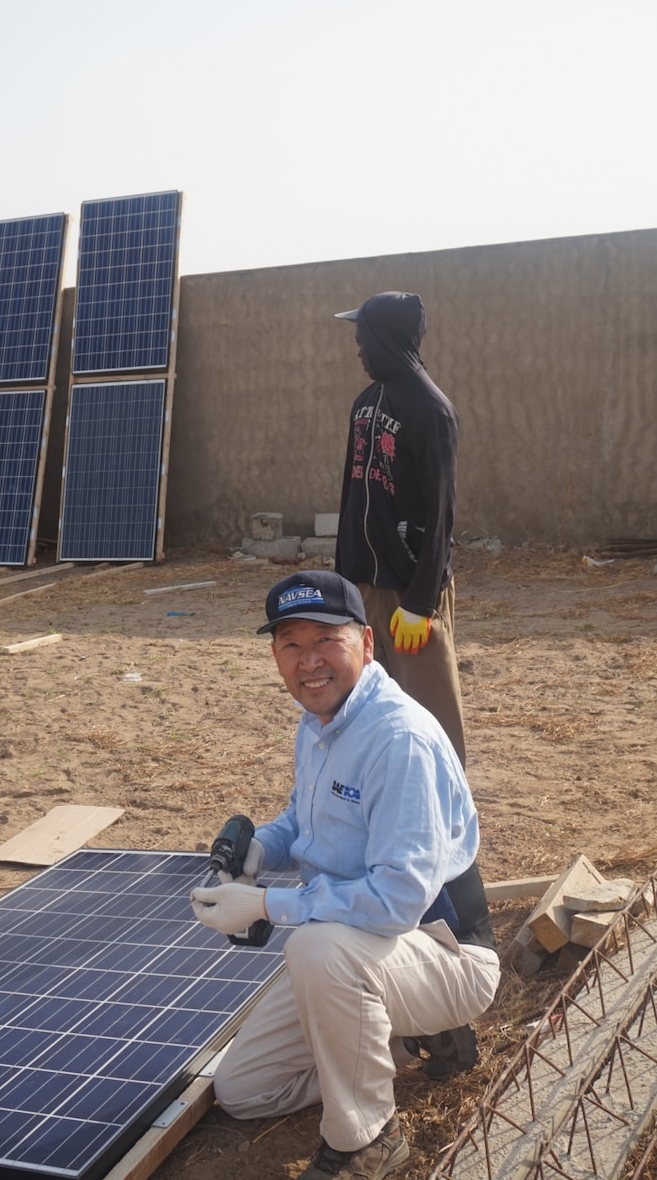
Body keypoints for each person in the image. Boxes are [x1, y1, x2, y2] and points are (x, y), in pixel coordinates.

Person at [190, 570, 499, 1180]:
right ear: (276, 654)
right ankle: (401, 1036)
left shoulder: (398, 738)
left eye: (326, 639)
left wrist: (264, 907)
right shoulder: (323, 720)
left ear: (366, 642)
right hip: (372, 955)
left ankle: (369, 1138)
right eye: (291, 644)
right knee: (242, 1088)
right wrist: (264, 851)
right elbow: (307, 812)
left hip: (445, 953)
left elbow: (395, 902)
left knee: (316, 948)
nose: (309, 662)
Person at [333, 291, 467, 766]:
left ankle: (446, 815)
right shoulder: (365, 404)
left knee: (431, 716)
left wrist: (421, 601)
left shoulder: (432, 412)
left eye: (362, 337)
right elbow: (352, 497)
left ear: (382, 338)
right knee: (369, 710)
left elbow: (442, 512)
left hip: (409, 597)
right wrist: (341, 580)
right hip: (364, 588)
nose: (357, 349)